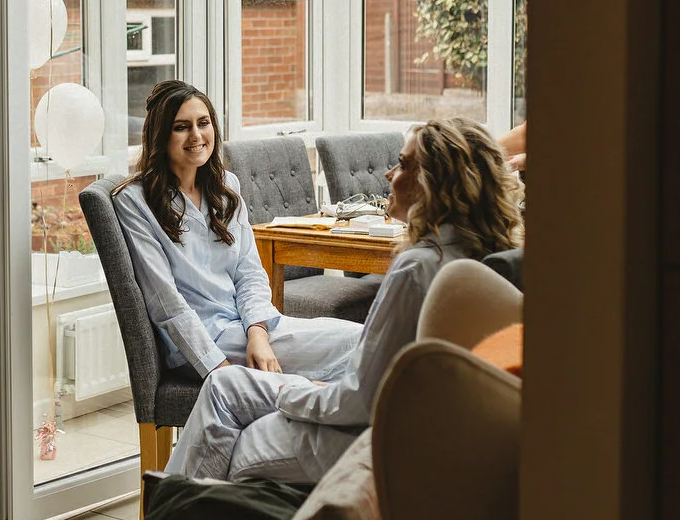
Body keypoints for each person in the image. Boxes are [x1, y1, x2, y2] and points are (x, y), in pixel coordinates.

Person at [165, 117, 522, 484]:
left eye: (402, 164)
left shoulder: (417, 268)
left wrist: (294, 392)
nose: (388, 174)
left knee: (225, 405)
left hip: (361, 439)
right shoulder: (487, 255)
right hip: (407, 421)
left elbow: (358, 403)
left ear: (431, 184)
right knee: (227, 390)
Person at [111, 80, 358, 384]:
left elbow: (249, 272)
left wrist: (258, 334)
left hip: (247, 327)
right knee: (360, 348)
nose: (197, 135)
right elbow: (164, 301)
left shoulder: (226, 187)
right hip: (203, 344)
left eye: (203, 123)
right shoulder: (134, 201)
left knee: (360, 340)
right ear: (160, 136)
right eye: (181, 127)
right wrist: (222, 373)